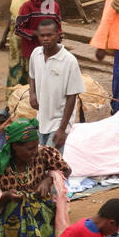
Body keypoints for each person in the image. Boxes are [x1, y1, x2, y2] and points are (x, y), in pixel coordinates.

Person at [28, 18, 84, 150]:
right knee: (41, 160)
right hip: (41, 120)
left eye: (50, 35)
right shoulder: (36, 54)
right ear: (38, 37)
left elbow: (72, 97)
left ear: (58, 35)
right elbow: (32, 75)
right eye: (42, 36)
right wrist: (32, 93)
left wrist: (62, 129)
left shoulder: (69, 61)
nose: (46, 39)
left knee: (52, 165)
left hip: (59, 123)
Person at [0, 0, 37, 122]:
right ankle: (9, 106)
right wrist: (4, 36)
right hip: (14, 36)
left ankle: (24, 107)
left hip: (28, 36)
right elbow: (12, 15)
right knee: (13, 70)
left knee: (28, 71)